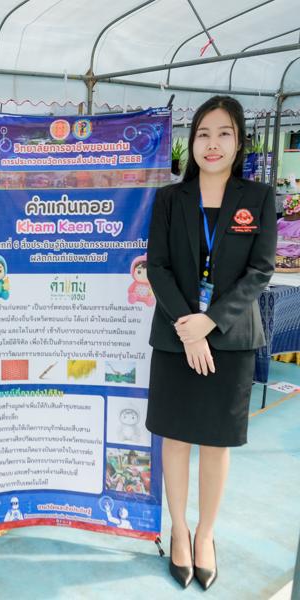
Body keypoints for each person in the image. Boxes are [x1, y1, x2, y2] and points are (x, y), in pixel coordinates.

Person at [146, 95, 276, 590]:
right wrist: (189, 324)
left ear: (239, 142)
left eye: (224, 133)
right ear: (192, 141)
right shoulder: (170, 199)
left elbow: (260, 270)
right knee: (176, 438)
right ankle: (179, 530)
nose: (212, 143)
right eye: (203, 133)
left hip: (231, 340)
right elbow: (157, 267)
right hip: (176, 337)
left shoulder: (258, 197)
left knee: (217, 443)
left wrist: (211, 323)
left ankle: (205, 535)